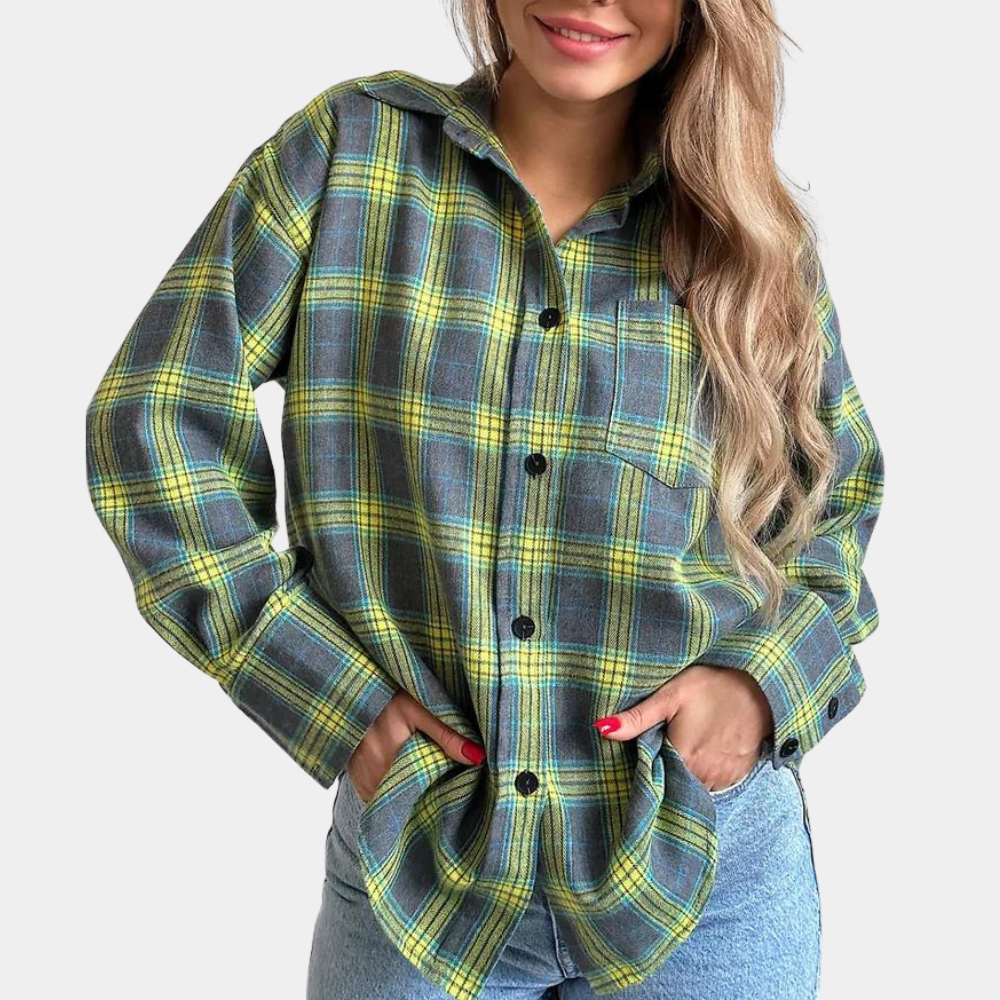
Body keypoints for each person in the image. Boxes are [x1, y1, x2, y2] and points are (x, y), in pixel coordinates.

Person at [84, 2, 885, 999]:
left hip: (698, 873)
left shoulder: (746, 231)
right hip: (420, 875)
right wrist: (327, 695)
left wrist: (762, 685)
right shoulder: (348, 157)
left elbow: (834, 499)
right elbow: (155, 418)